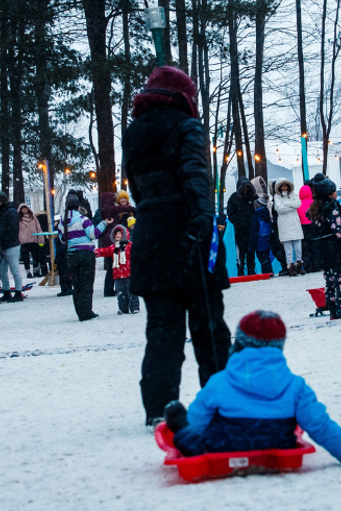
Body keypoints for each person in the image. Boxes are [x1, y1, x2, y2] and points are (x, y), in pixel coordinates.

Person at [121, 66, 231, 426]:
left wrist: (154, 211)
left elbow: (136, 189)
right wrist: (203, 220)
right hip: (188, 235)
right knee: (208, 326)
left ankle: (158, 406)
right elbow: (195, 176)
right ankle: (220, 400)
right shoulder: (187, 127)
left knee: (163, 330)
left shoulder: (134, 133)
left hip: (152, 235)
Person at [163, 311, 341, 465]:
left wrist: (185, 428)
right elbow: (319, 424)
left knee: (182, 425)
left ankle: (175, 416)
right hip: (278, 443)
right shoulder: (295, 386)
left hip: (223, 446)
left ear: (238, 343)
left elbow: (197, 422)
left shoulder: (220, 382)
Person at [305, 173, 341, 319]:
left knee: (330, 281)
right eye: (334, 190)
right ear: (329, 193)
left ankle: (333, 308)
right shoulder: (332, 207)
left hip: (322, 250)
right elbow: (339, 230)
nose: (336, 193)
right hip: (334, 250)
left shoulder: (315, 209)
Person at [57, 196, 105, 321]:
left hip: (72, 255)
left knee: (77, 285)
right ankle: (87, 312)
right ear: (78, 206)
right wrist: (103, 224)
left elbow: (62, 239)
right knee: (87, 284)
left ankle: (80, 312)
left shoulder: (62, 221)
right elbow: (93, 234)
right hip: (86, 254)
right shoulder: (83, 219)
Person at [94, 224, 139, 315]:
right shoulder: (113, 248)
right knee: (121, 293)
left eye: (120, 233)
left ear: (125, 234)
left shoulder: (130, 246)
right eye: (116, 234)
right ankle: (123, 308)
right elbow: (104, 251)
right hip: (117, 275)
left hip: (129, 273)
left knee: (131, 292)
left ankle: (134, 307)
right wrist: (93, 252)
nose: (117, 235)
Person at [0, 193, 25, 302]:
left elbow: (12, 228)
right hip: (5, 244)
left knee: (14, 269)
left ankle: (17, 291)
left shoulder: (10, 212)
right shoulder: (3, 211)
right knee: (3, 271)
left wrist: (2, 236)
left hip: (11, 245)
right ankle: (7, 291)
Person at [272, 180, 304, 275]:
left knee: (298, 248)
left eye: (286, 186)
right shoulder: (277, 196)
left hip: (294, 223)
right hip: (284, 224)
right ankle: (291, 267)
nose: (284, 188)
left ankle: (299, 265)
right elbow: (279, 209)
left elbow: (298, 204)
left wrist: (285, 205)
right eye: (282, 186)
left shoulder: (293, 194)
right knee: (288, 249)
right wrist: (291, 206)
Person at [227, 180, 257, 275]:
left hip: (251, 228)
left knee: (251, 249)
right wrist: (237, 222)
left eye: (246, 187)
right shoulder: (234, 197)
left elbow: (259, 209)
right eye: (243, 187)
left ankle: (251, 269)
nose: (245, 189)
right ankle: (241, 269)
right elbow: (230, 212)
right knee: (240, 250)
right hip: (240, 229)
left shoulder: (253, 197)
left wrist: (254, 221)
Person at [96, 191, 118, 297]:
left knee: (111, 266)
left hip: (106, 242)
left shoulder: (100, 212)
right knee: (113, 266)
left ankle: (109, 288)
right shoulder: (111, 211)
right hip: (112, 241)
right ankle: (109, 288)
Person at [17, 203, 43, 278]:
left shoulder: (33, 218)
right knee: (26, 258)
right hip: (24, 241)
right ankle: (28, 272)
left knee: (35, 256)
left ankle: (36, 271)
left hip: (33, 239)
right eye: (23, 209)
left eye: (25, 208)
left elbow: (38, 228)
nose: (24, 210)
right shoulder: (19, 219)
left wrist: (40, 239)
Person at [251, 198, 274, 273]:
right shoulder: (268, 212)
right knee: (266, 255)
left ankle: (266, 272)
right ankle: (269, 270)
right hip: (268, 236)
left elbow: (254, 227)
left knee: (261, 255)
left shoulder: (256, 215)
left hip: (260, 237)